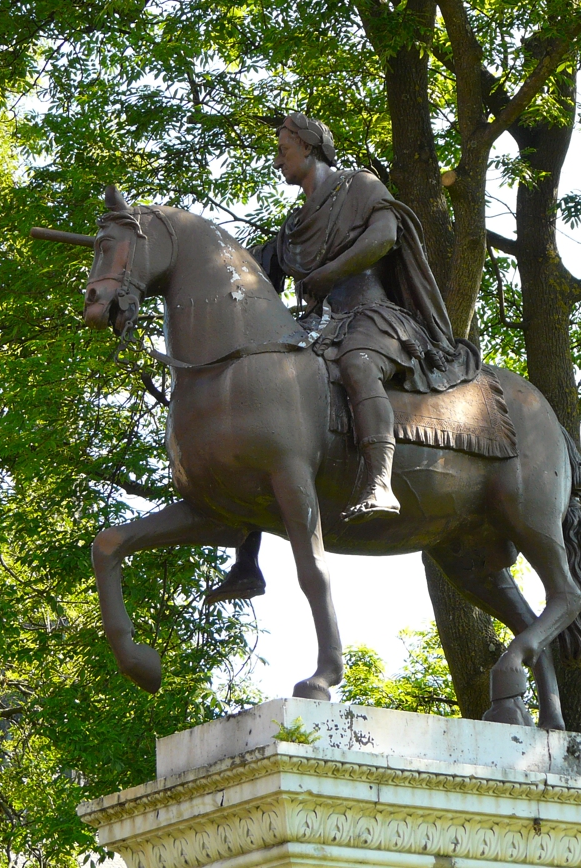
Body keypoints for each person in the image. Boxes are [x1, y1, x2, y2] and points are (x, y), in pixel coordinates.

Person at [204, 111, 480, 605]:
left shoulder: (360, 186)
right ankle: (247, 560)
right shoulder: (292, 226)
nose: (277, 160)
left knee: (357, 364)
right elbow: (251, 273)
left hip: (376, 315)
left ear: (308, 147)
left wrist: (328, 272)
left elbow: (384, 237)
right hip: (318, 325)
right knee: (260, 395)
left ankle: (379, 481)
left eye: (283, 150)